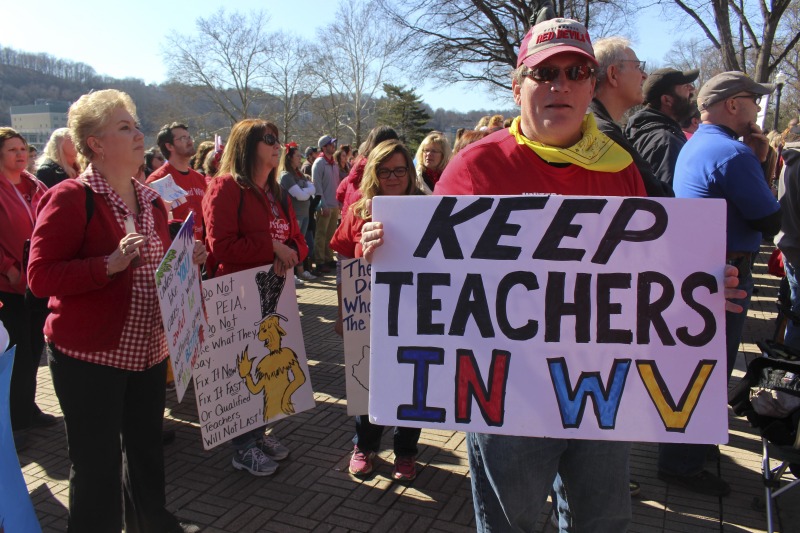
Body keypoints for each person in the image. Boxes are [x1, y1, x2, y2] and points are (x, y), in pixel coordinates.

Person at [359, 18, 746, 532]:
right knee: (510, 522)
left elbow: (650, 267)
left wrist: (700, 282)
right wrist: (387, 249)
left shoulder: (619, 167)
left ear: (592, 83)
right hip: (505, 391)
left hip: (598, 383)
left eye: (575, 70)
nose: (559, 84)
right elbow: (430, 265)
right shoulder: (475, 168)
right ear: (518, 87)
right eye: (544, 73)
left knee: (602, 519)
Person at [27, 89, 203, 533]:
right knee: (96, 464)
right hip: (90, 356)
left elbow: (159, 272)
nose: (139, 132)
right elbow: (41, 276)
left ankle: (151, 524)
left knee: (145, 451)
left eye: (136, 123)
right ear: (96, 144)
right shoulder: (71, 197)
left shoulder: (153, 202)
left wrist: (186, 260)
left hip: (147, 352)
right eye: (124, 126)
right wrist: (107, 265)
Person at [669, 71, 781, 497]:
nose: (758, 109)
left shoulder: (697, 143)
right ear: (734, 104)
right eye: (754, 101)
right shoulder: (733, 155)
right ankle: (684, 462)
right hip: (725, 272)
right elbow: (769, 218)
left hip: (704, 268)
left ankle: (687, 452)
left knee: (699, 367)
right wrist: (762, 158)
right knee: (708, 368)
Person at [202, 119, 308, 477]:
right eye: (268, 139)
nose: (277, 145)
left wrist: (290, 249)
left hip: (275, 294)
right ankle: (241, 447)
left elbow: (299, 239)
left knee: (270, 364)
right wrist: (272, 247)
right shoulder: (225, 187)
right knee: (243, 367)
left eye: (278, 139)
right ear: (247, 146)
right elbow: (221, 246)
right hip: (237, 295)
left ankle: (258, 435)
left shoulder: (276, 192)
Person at [330, 139, 424, 481]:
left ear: (410, 173)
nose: (393, 177)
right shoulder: (358, 211)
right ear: (374, 173)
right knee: (367, 381)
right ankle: (364, 446)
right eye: (384, 171)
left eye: (399, 170)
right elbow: (343, 261)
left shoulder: (428, 209)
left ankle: (405, 453)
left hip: (415, 312)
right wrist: (342, 311)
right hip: (368, 311)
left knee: (412, 381)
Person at [0, 128, 55, 452]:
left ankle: (29, 407)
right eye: (11, 150)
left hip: (38, 282)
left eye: (23, 148)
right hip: (9, 285)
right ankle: (15, 419)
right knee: (16, 353)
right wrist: (7, 266)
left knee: (35, 350)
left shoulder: (36, 185)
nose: (21, 154)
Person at [590, 36, 673, 198]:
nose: (644, 76)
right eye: (638, 67)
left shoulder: (596, 125)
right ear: (613, 74)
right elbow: (659, 198)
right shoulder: (602, 134)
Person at [625, 67, 699, 187]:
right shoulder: (666, 141)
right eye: (685, 86)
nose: (692, 90)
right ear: (667, 100)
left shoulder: (641, 130)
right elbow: (669, 200)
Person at [146, 122, 207, 237]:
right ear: (169, 146)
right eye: (183, 138)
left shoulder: (199, 178)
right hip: (176, 251)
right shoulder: (157, 181)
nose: (190, 141)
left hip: (201, 251)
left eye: (189, 137)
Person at [278, 144, 317, 285]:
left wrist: (305, 191)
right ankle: (292, 273)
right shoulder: (286, 176)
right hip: (294, 216)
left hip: (305, 214)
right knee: (292, 244)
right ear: (289, 158)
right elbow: (300, 195)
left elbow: (313, 188)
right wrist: (306, 191)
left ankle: (301, 270)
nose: (300, 158)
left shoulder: (299, 174)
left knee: (302, 243)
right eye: (297, 156)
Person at [776, 126, 800, 349]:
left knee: (795, 311)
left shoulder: (792, 159)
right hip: (795, 247)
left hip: (791, 245)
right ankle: (792, 375)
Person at [311, 135, 340, 274]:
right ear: (324, 147)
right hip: (325, 205)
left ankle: (329, 258)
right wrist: (322, 204)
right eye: (330, 144)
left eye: (333, 144)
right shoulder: (319, 163)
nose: (333, 146)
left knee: (331, 234)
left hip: (334, 204)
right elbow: (317, 185)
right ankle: (320, 261)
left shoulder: (334, 163)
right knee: (321, 234)